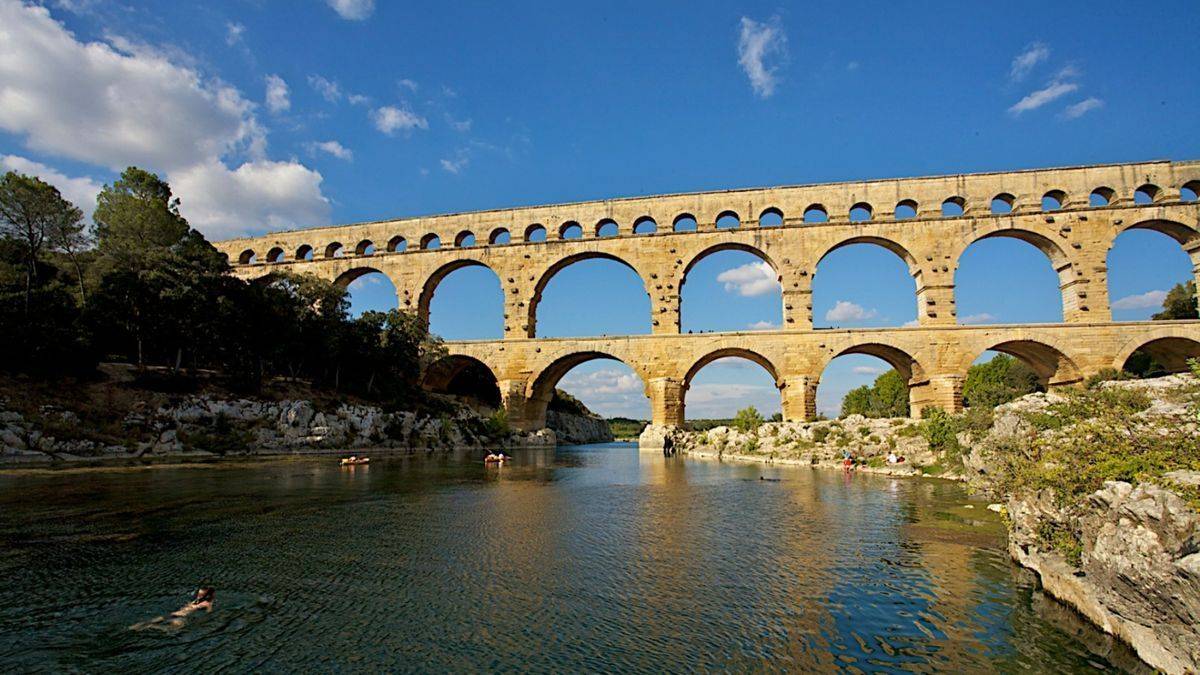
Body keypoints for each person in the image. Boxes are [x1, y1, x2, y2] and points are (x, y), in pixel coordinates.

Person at [132, 588, 214, 631]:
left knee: (153, 620)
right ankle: (151, 626)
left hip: (173, 613)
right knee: (173, 628)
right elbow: (208, 613)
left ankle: (136, 626)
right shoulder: (207, 603)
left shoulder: (195, 600)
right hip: (181, 617)